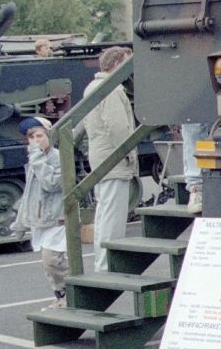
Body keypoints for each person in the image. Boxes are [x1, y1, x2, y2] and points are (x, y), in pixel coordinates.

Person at [81, 46, 137, 272]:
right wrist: (128, 153)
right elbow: (117, 126)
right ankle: (110, 265)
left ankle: (102, 263)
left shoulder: (93, 86)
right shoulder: (112, 89)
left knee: (104, 213)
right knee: (113, 217)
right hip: (113, 157)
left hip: (100, 154)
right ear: (117, 64)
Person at [10, 116, 68, 308]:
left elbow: (51, 183)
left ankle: (70, 293)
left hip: (57, 217)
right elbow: (29, 194)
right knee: (48, 265)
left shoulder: (58, 157)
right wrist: (20, 223)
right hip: (40, 219)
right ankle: (61, 295)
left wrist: (36, 157)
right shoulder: (36, 159)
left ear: (49, 135)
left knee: (53, 260)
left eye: (39, 135)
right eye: (31, 137)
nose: (35, 141)